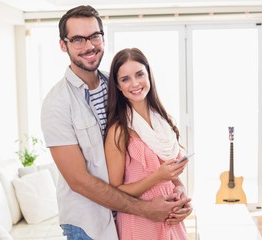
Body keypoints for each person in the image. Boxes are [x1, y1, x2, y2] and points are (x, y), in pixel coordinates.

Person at [41, 5, 192, 240]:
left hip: (127, 216)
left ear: (103, 37)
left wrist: (179, 191)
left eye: (94, 36)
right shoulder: (57, 104)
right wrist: (145, 209)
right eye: (78, 39)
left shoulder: (118, 87)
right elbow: (79, 181)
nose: (89, 46)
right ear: (63, 45)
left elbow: (153, 154)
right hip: (88, 224)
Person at [104, 48, 190, 240]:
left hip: (171, 219)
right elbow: (115, 190)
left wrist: (182, 194)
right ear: (118, 86)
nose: (134, 83)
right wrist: (157, 176)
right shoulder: (118, 130)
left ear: (148, 75)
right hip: (140, 222)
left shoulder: (163, 121)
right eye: (125, 79)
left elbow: (172, 177)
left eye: (139, 74)